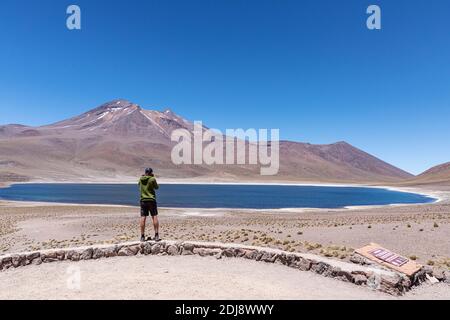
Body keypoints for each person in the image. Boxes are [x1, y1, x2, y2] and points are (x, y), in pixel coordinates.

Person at [138, 167, 160, 242]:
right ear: (151, 173)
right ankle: (156, 235)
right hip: (151, 200)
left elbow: (139, 186)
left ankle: (142, 236)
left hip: (143, 200)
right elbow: (157, 187)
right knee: (154, 216)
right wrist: (152, 177)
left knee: (143, 217)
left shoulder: (141, 179)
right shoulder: (152, 179)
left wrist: (144, 177)